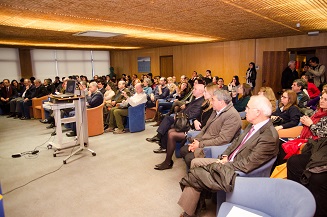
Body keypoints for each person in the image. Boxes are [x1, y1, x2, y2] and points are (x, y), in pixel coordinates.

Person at [178, 95, 279, 217]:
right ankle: (197, 204)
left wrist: (226, 163)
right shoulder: (252, 125)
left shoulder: (269, 137)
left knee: (195, 174)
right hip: (229, 161)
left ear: (257, 112)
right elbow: (236, 142)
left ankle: (189, 213)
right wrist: (225, 155)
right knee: (195, 163)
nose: (245, 110)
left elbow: (248, 164)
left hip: (238, 171)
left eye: (247, 108)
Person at [154, 84, 218, 170]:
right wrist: (195, 120)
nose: (204, 93)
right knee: (170, 131)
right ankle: (167, 159)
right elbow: (198, 117)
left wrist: (194, 121)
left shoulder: (212, 108)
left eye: (205, 92)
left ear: (211, 94)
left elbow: (204, 125)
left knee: (171, 134)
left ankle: (167, 161)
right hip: (193, 127)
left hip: (196, 131)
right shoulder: (206, 104)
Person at [287, 93, 327, 216]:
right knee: (293, 161)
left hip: (320, 148)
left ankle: (315, 210)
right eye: (321, 98)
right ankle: (297, 198)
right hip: (318, 147)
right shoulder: (318, 113)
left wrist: (310, 124)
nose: (322, 101)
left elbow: (321, 133)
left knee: (316, 177)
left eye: (326, 99)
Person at [180, 89, 242, 168]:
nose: (211, 102)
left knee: (189, 157)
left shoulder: (232, 116)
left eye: (213, 100)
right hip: (204, 141)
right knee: (183, 150)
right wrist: (197, 140)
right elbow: (205, 128)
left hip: (214, 147)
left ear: (221, 102)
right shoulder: (215, 110)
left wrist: (199, 145)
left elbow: (223, 140)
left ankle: (196, 177)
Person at [146, 84, 205, 152]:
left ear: (201, 92)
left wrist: (177, 116)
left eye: (195, 89)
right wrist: (177, 115)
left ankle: (160, 140)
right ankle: (160, 139)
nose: (193, 90)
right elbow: (186, 110)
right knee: (167, 119)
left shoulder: (200, 102)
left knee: (168, 122)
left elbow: (192, 115)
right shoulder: (196, 99)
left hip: (186, 122)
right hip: (182, 118)